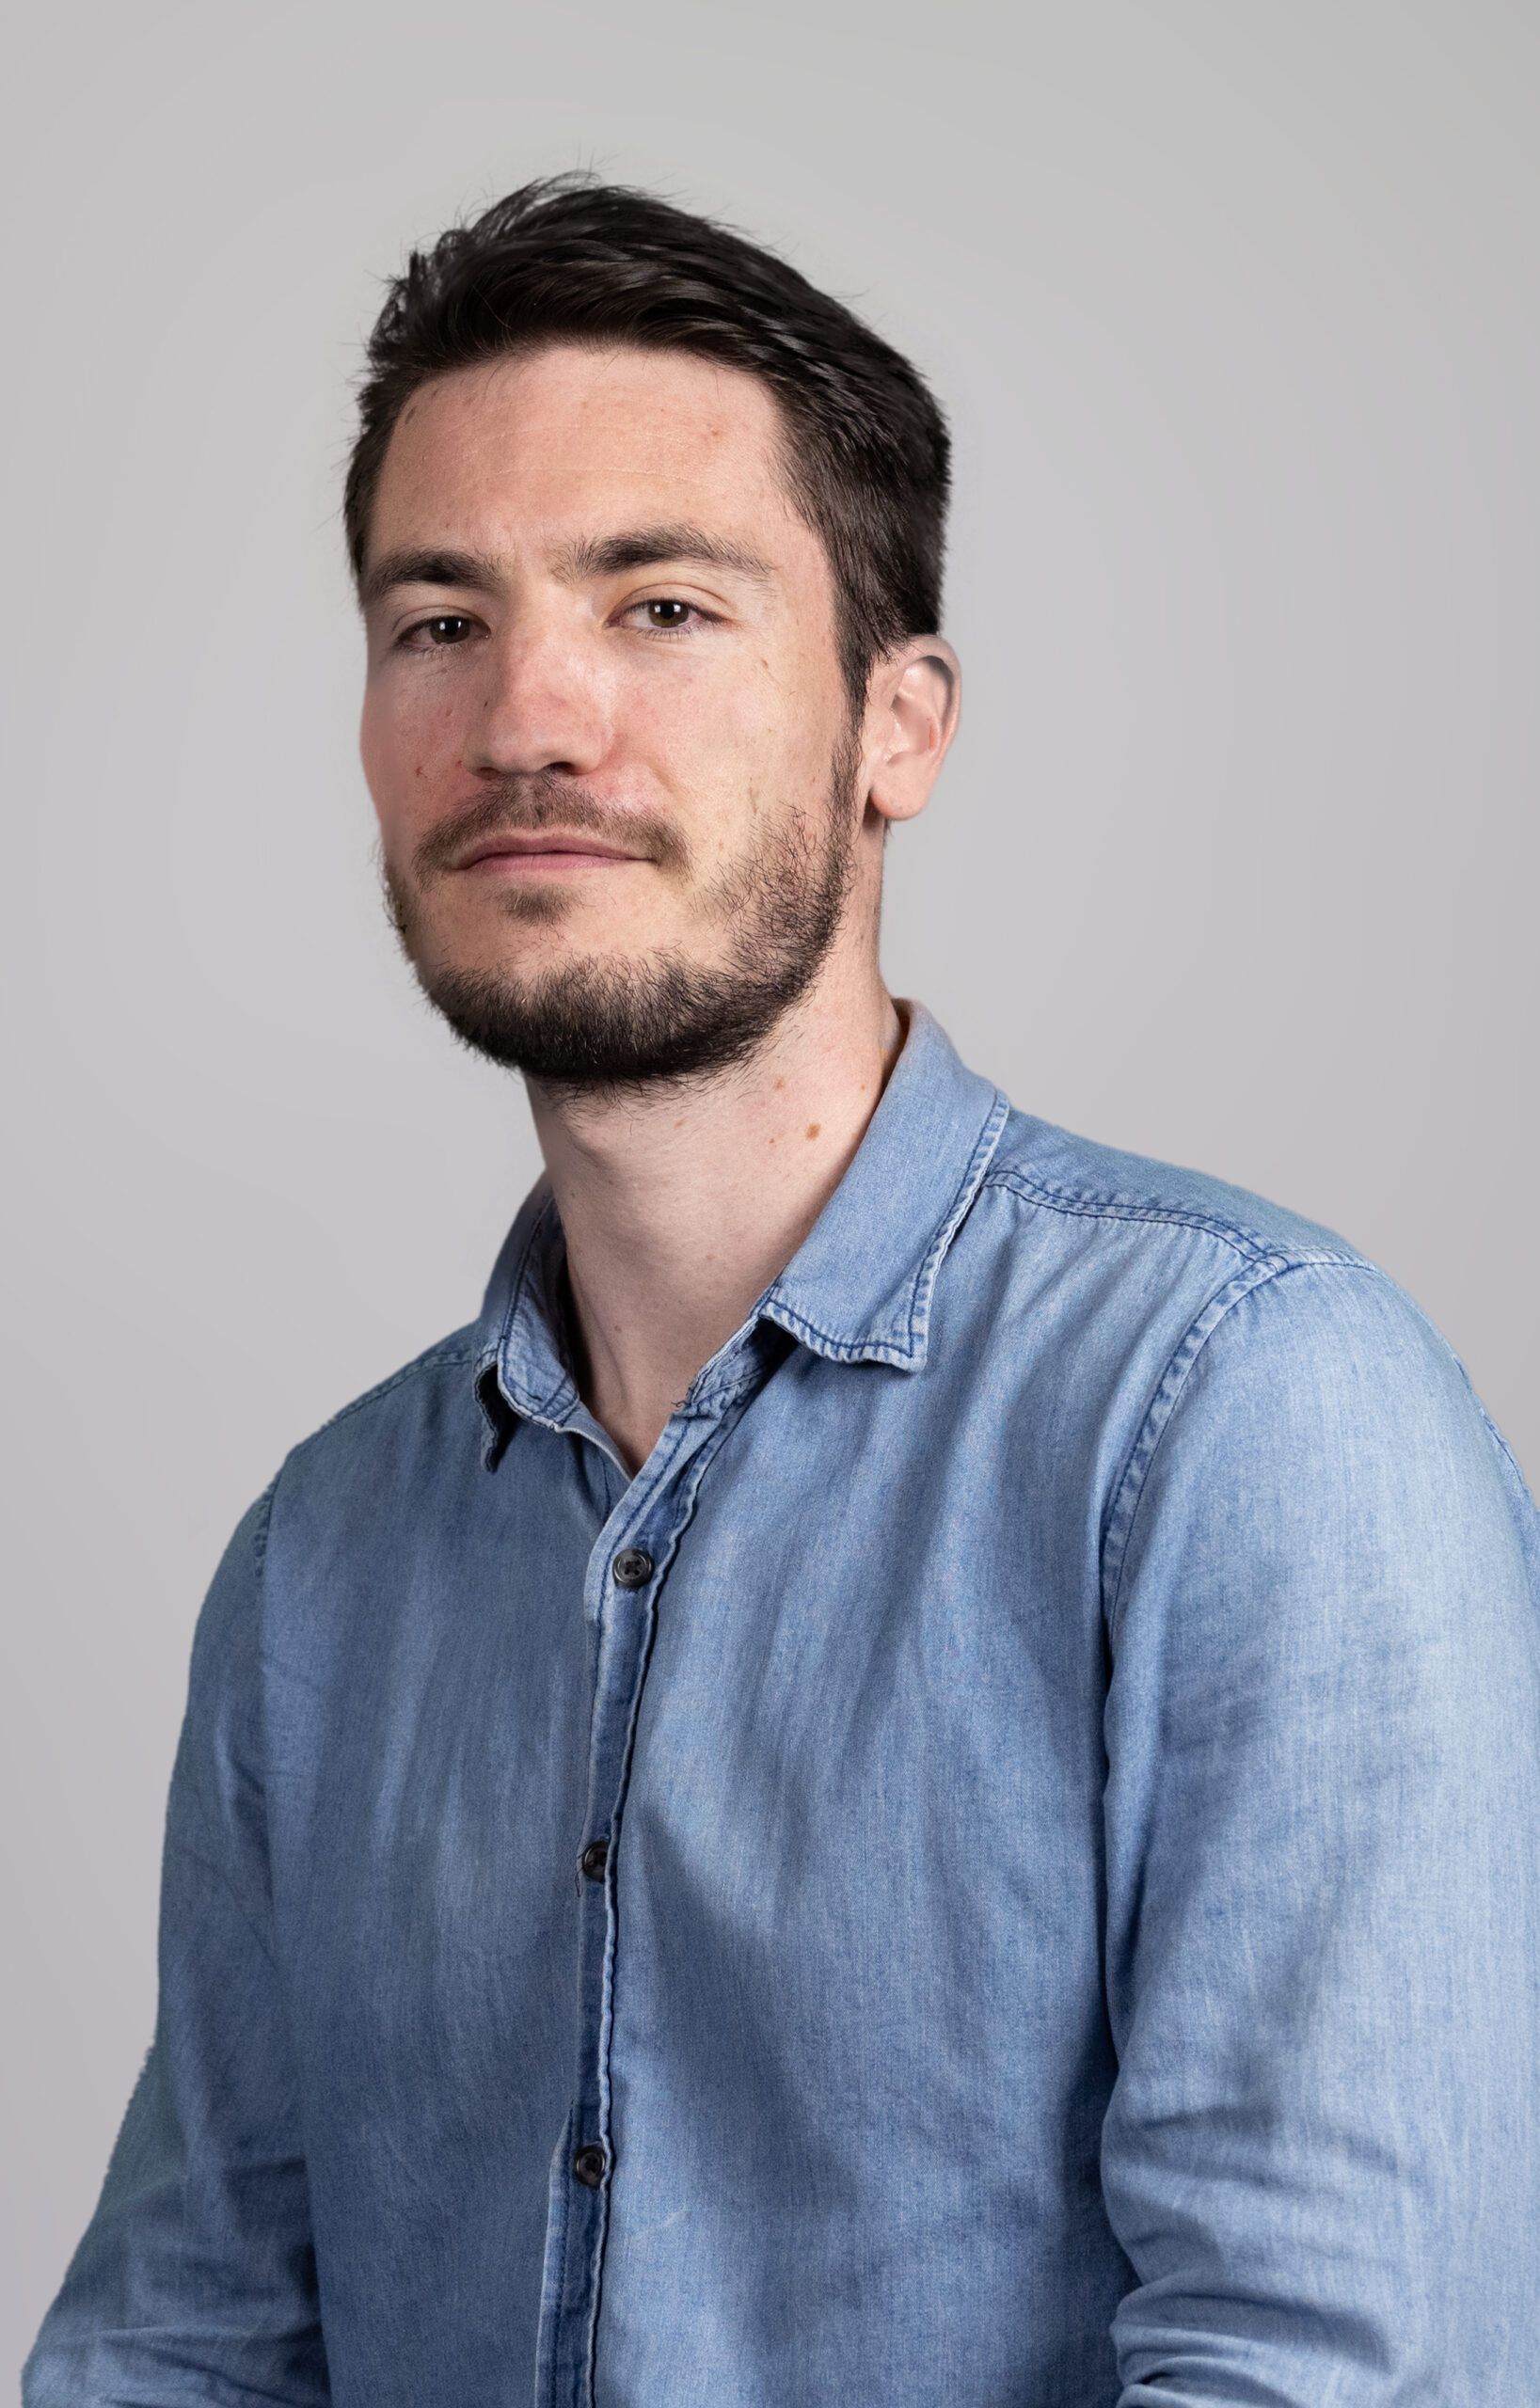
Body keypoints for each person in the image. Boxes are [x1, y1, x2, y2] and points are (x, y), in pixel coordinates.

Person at [24, 173, 1540, 2408]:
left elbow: (1339, 2366)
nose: (529, 715)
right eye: (438, 618)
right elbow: (186, 2344)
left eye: (660, 605)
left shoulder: (1246, 1417)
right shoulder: (317, 1563)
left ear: (897, 724)